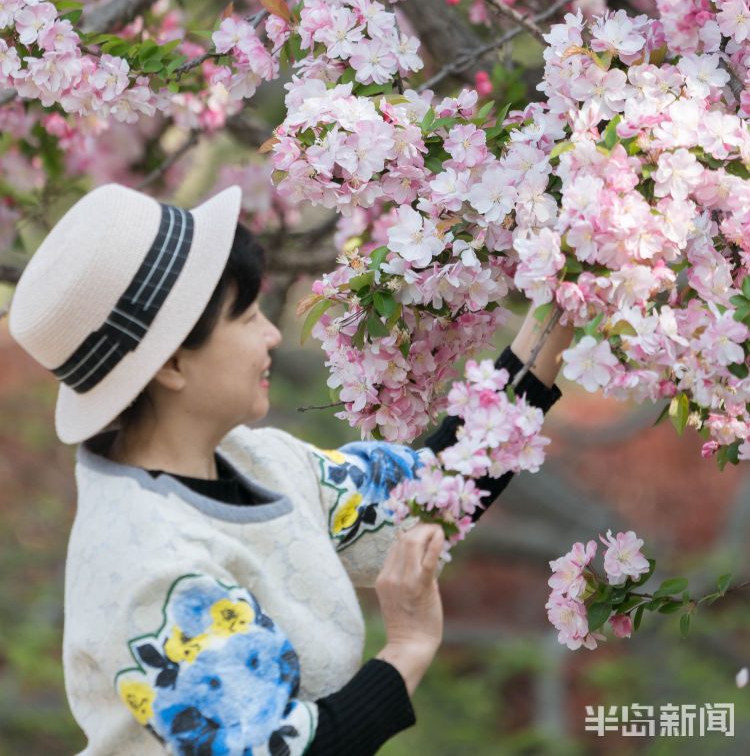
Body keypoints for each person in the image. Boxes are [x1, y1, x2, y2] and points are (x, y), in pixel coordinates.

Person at [9, 182, 572, 756]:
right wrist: (406, 648)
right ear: (173, 362)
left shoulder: (258, 461)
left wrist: (563, 299)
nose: (273, 334)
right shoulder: (151, 563)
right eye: (249, 317)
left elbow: (432, 487)